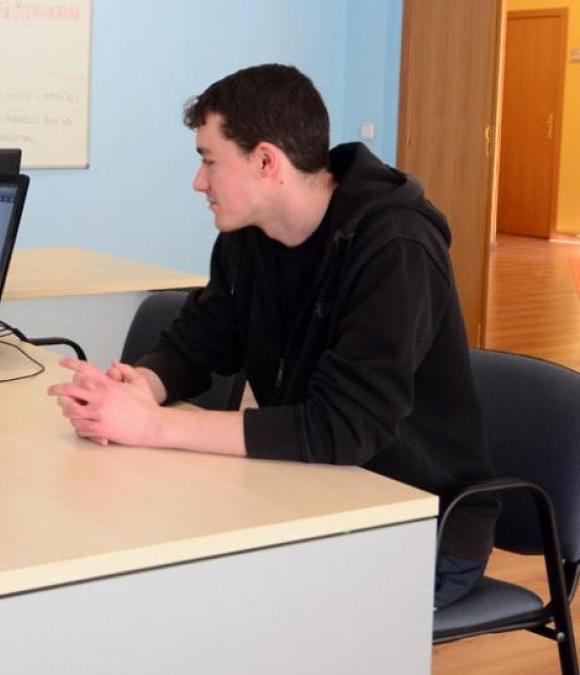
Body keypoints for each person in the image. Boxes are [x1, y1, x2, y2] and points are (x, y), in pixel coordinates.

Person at [48, 64, 498, 609]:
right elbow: (201, 339)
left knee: (220, 608)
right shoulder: (250, 236)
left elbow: (342, 428)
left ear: (266, 161)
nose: (199, 182)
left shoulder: (395, 246)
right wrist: (143, 384)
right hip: (309, 492)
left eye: (209, 161)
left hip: (418, 525)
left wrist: (152, 425)